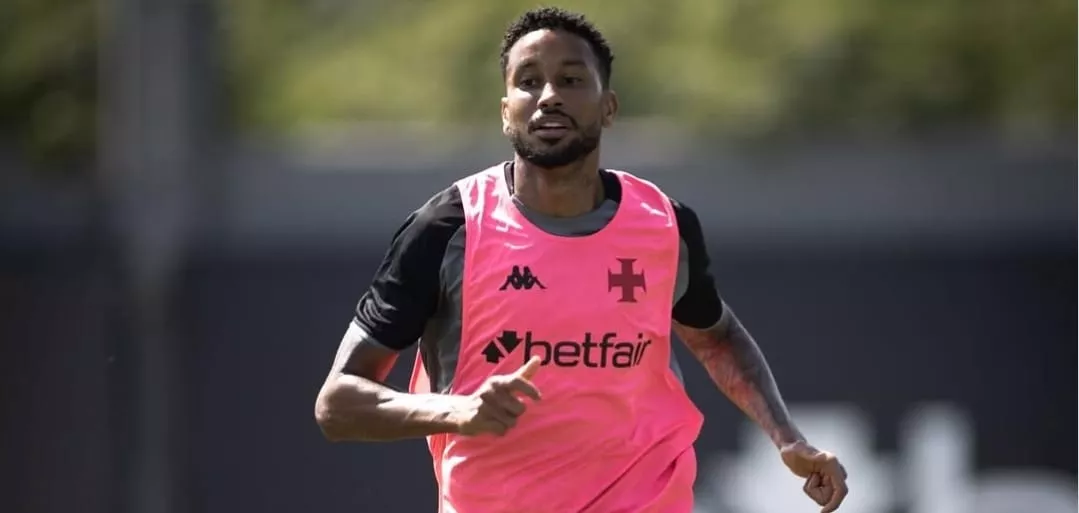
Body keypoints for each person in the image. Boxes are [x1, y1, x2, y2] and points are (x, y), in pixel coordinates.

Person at [314, 6, 848, 513]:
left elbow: (715, 335)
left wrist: (787, 439)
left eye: (571, 80)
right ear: (506, 112)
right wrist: (459, 410)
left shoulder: (662, 224)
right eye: (528, 81)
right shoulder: (448, 230)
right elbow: (337, 403)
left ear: (607, 106)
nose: (548, 96)